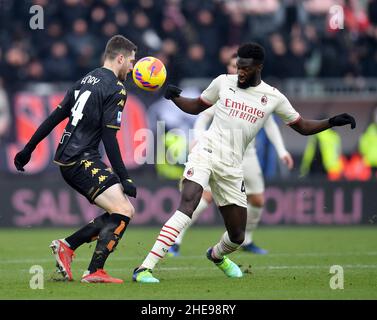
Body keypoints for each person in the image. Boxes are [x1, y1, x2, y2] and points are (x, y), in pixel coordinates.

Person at [132, 42, 356, 283]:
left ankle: (216, 255)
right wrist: (176, 98)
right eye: (238, 67)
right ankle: (145, 268)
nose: (239, 72)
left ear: (259, 67)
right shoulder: (223, 82)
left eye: (245, 69)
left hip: (232, 165)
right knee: (189, 203)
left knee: (237, 236)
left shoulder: (272, 97)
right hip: (207, 150)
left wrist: (331, 121)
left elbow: (302, 126)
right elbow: (197, 106)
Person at [14, 35, 137, 284]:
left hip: (68, 158)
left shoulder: (85, 79)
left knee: (120, 211)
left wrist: (28, 149)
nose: (133, 68)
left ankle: (68, 246)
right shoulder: (116, 88)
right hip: (81, 158)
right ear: (121, 58)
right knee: (124, 210)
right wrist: (125, 176)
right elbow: (109, 137)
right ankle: (93, 271)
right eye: (132, 61)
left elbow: (54, 117)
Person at [168, 54, 294, 256]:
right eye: (233, 66)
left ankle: (247, 240)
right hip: (220, 152)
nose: (237, 71)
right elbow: (203, 116)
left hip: (248, 155)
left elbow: (270, 124)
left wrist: (281, 150)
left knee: (258, 201)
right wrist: (198, 137)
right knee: (204, 198)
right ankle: (175, 241)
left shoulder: (262, 95)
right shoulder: (225, 90)